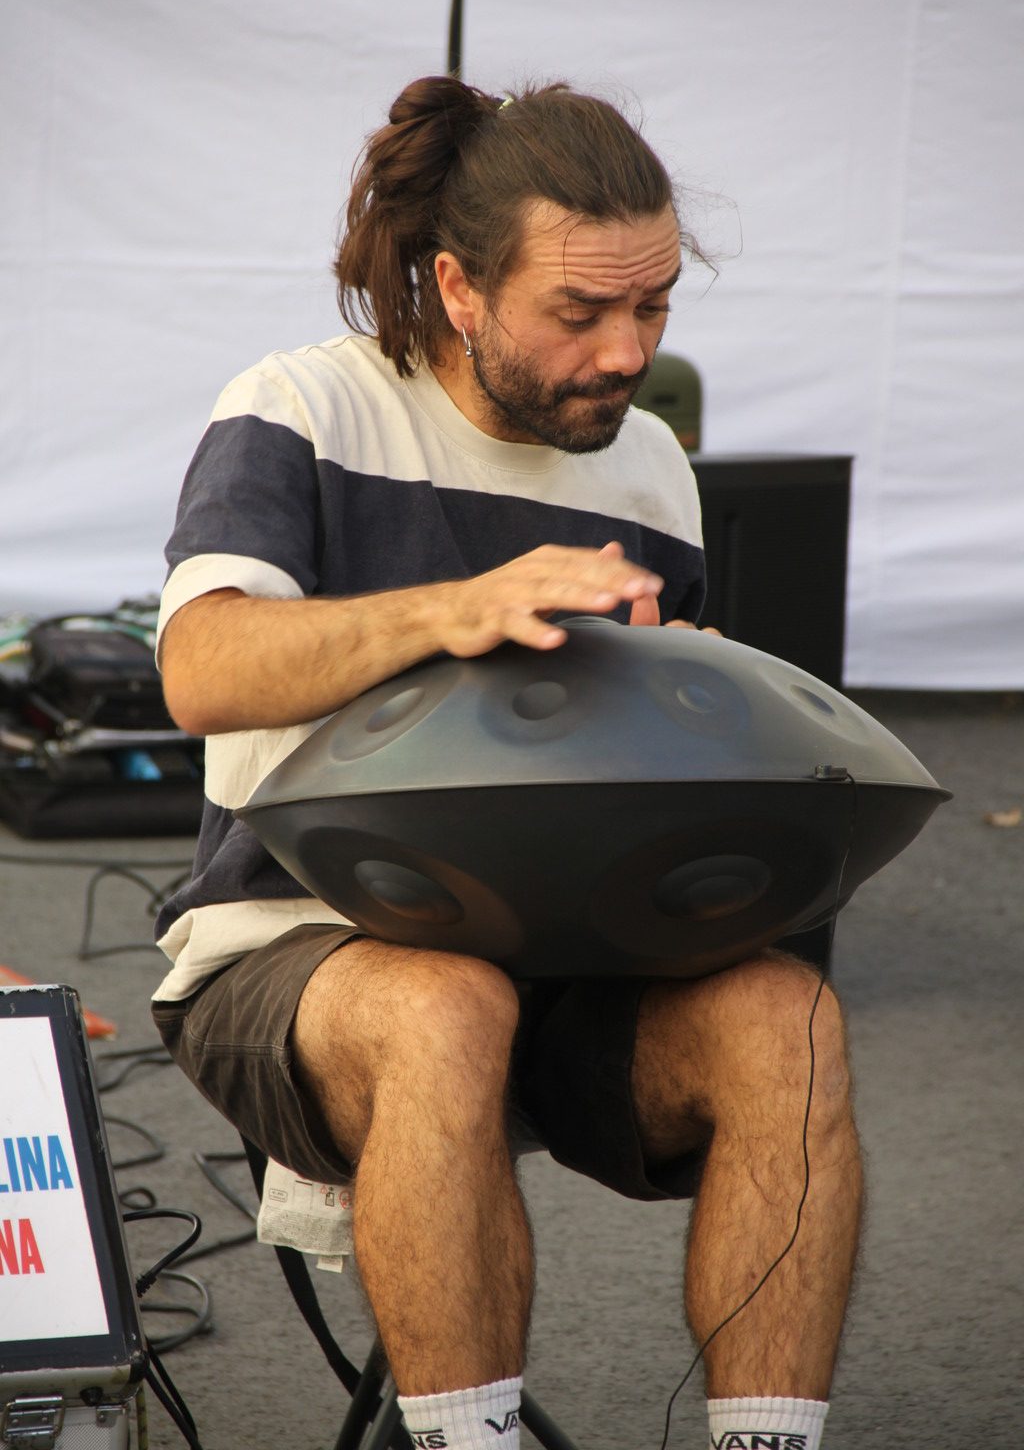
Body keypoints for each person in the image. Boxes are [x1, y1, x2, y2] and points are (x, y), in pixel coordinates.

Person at [153, 76, 862, 1450]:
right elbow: (203, 668)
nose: (626, 351)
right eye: (580, 312)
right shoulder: (303, 407)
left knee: (791, 1019)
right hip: (297, 951)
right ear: (460, 288)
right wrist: (455, 609)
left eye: (654, 307)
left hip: (577, 967)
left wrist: (697, 718)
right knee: (445, 1004)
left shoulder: (648, 466)